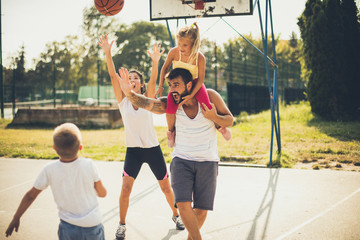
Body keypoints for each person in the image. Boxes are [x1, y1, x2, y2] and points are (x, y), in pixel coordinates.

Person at [117, 67, 234, 240]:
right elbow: (149, 104)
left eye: (176, 85)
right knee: (182, 204)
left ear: (189, 84)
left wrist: (213, 116)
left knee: (201, 211)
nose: (172, 89)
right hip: (182, 159)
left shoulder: (210, 96)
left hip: (208, 160)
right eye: (170, 85)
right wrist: (129, 93)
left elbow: (230, 120)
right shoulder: (170, 102)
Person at [97, 35, 185, 240]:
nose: (133, 80)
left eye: (136, 78)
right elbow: (112, 76)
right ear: (126, 83)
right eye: (130, 78)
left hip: (153, 149)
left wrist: (155, 62)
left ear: (142, 85)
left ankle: (176, 215)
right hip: (133, 151)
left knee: (166, 188)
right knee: (126, 189)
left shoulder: (148, 100)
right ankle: (121, 225)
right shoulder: (123, 102)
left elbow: (154, 80)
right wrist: (108, 53)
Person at [5, 123, 107, 240]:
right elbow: (102, 193)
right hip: (92, 225)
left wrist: (16, 217)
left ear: (54, 148)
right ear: (80, 147)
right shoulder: (89, 165)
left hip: (68, 227)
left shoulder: (49, 169)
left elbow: (30, 196)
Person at [156, 22, 232, 147]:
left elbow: (201, 79)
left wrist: (191, 95)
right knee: (170, 108)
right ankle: (171, 132)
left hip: (195, 82)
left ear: (194, 44)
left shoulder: (199, 57)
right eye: (179, 43)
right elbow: (164, 68)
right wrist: (160, 86)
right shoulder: (174, 52)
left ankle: (220, 127)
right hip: (178, 84)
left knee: (206, 106)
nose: (181, 47)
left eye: (185, 45)